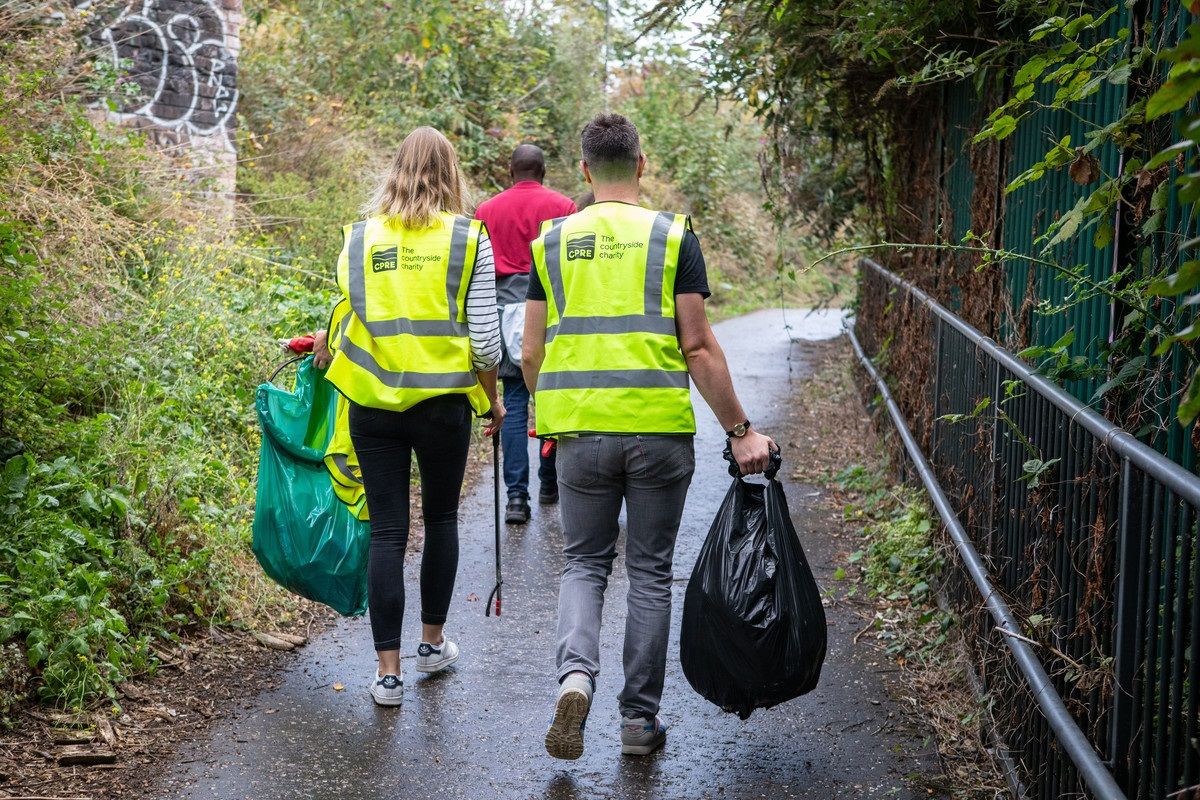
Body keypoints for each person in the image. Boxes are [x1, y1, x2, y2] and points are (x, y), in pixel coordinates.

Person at [523, 113, 775, 760]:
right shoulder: (672, 235)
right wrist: (740, 430)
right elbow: (697, 345)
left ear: (584, 170)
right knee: (650, 572)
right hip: (658, 431)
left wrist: (548, 411)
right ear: (641, 164)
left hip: (581, 430)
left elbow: (529, 352)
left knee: (584, 563)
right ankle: (638, 722)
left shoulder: (552, 240)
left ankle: (575, 678)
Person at [312, 127, 505, 707]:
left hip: (373, 403)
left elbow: (347, 314)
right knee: (441, 519)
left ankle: (388, 675)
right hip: (444, 404)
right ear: (452, 174)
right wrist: (493, 399)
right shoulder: (468, 237)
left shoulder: (359, 238)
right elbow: (486, 343)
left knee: (389, 531)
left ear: (394, 170)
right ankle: (432, 643)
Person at [474, 144, 576, 525]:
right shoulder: (564, 207)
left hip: (502, 311)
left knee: (514, 404)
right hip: (546, 311)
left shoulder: (486, 211)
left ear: (510, 171)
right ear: (543, 171)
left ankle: (517, 498)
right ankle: (550, 482)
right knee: (551, 396)